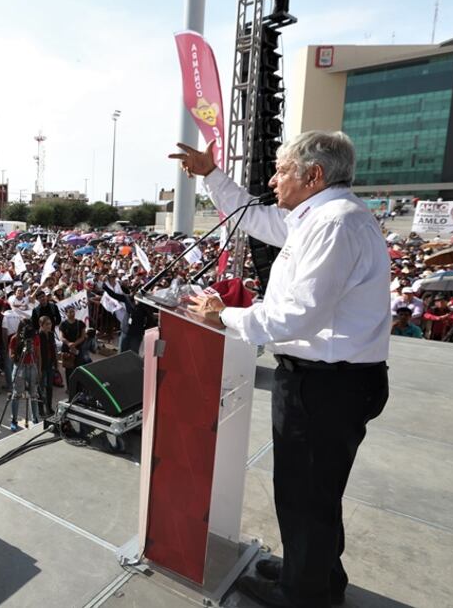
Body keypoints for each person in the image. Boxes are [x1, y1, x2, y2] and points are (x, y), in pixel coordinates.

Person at [173, 131, 390, 607]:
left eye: (281, 169)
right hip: (332, 381)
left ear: (313, 175)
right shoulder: (318, 217)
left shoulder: (334, 224)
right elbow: (254, 217)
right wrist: (211, 174)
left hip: (327, 385)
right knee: (316, 492)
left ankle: (302, 595)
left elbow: (298, 315)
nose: (272, 179)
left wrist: (222, 315)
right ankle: (311, 574)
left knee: (305, 494)